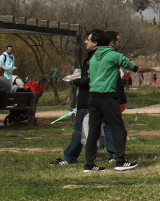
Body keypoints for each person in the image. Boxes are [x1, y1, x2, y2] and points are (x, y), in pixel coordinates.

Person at [82, 31, 160, 172]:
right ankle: (120, 161)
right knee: (118, 129)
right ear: (111, 43)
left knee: (93, 130)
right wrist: (153, 68)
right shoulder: (114, 55)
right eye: (119, 41)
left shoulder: (93, 57)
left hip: (93, 96)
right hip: (108, 96)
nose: (120, 44)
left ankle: (89, 164)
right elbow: (135, 68)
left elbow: (89, 77)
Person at [50, 33, 116, 165]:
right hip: (99, 98)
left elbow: (92, 79)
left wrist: (76, 80)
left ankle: (69, 157)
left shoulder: (95, 58)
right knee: (107, 126)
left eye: (87, 40)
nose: (85, 42)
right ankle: (115, 154)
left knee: (80, 128)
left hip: (88, 99)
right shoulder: (98, 57)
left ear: (95, 43)